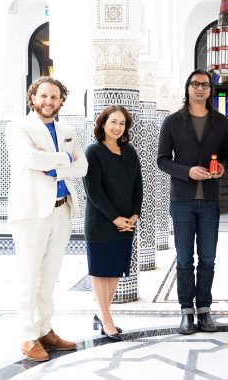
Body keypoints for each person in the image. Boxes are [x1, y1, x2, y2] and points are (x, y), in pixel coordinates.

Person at [5, 76, 88, 361]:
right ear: (33, 98)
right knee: (28, 276)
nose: (49, 101)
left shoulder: (67, 130)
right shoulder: (18, 127)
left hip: (61, 210)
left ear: (61, 101)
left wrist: (53, 162)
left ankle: (45, 329)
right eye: (44, 96)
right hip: (31, 212)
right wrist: (63, 160)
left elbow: (83, 167)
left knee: (49, 276)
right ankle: (27, 336)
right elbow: (31, 159)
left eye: (54, 97)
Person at [157, 69, 228, 334]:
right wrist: (187, 171)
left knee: (208, 259)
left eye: (205, 85)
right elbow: (162, 160)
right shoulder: (173, 122)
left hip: (210, 202)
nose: (200, 88)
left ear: (211, 90)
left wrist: (221, 167)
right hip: (182, 201)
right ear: (187, 88)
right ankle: (187, 311)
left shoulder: (221, 122)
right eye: (195, 84)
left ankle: (205, 310)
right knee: (185, 259)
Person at [83, 105, 143, 341]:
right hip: (101, 222)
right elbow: (93, 192)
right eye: (113, 122)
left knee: (114, 270)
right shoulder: (93, 152)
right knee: (101, 271)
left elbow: (138, 185)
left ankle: (102, 314)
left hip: (126, 222)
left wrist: (134, 215)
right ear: (103, 124)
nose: (117, 127)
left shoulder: (130, 152)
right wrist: (116, 218)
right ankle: (107, 320)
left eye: (122, 123)